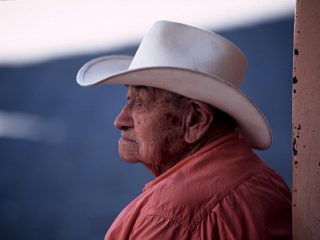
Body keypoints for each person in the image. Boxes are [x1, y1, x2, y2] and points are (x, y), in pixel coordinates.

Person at [77, 21, 292, 239]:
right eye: (128, 99)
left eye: (140, 103)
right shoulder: (268, 180)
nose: (120, 120)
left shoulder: (167, 218)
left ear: (196, 119)